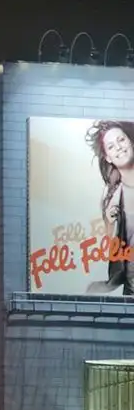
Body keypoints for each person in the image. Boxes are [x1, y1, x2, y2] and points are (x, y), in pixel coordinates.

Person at [87, 119, 134, 295]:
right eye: (111, 146)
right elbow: (106, 248)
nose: (119, 148)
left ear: (130, 141)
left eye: (121, 140)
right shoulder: (111, 195)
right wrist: (109, 221)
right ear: (107, 157)